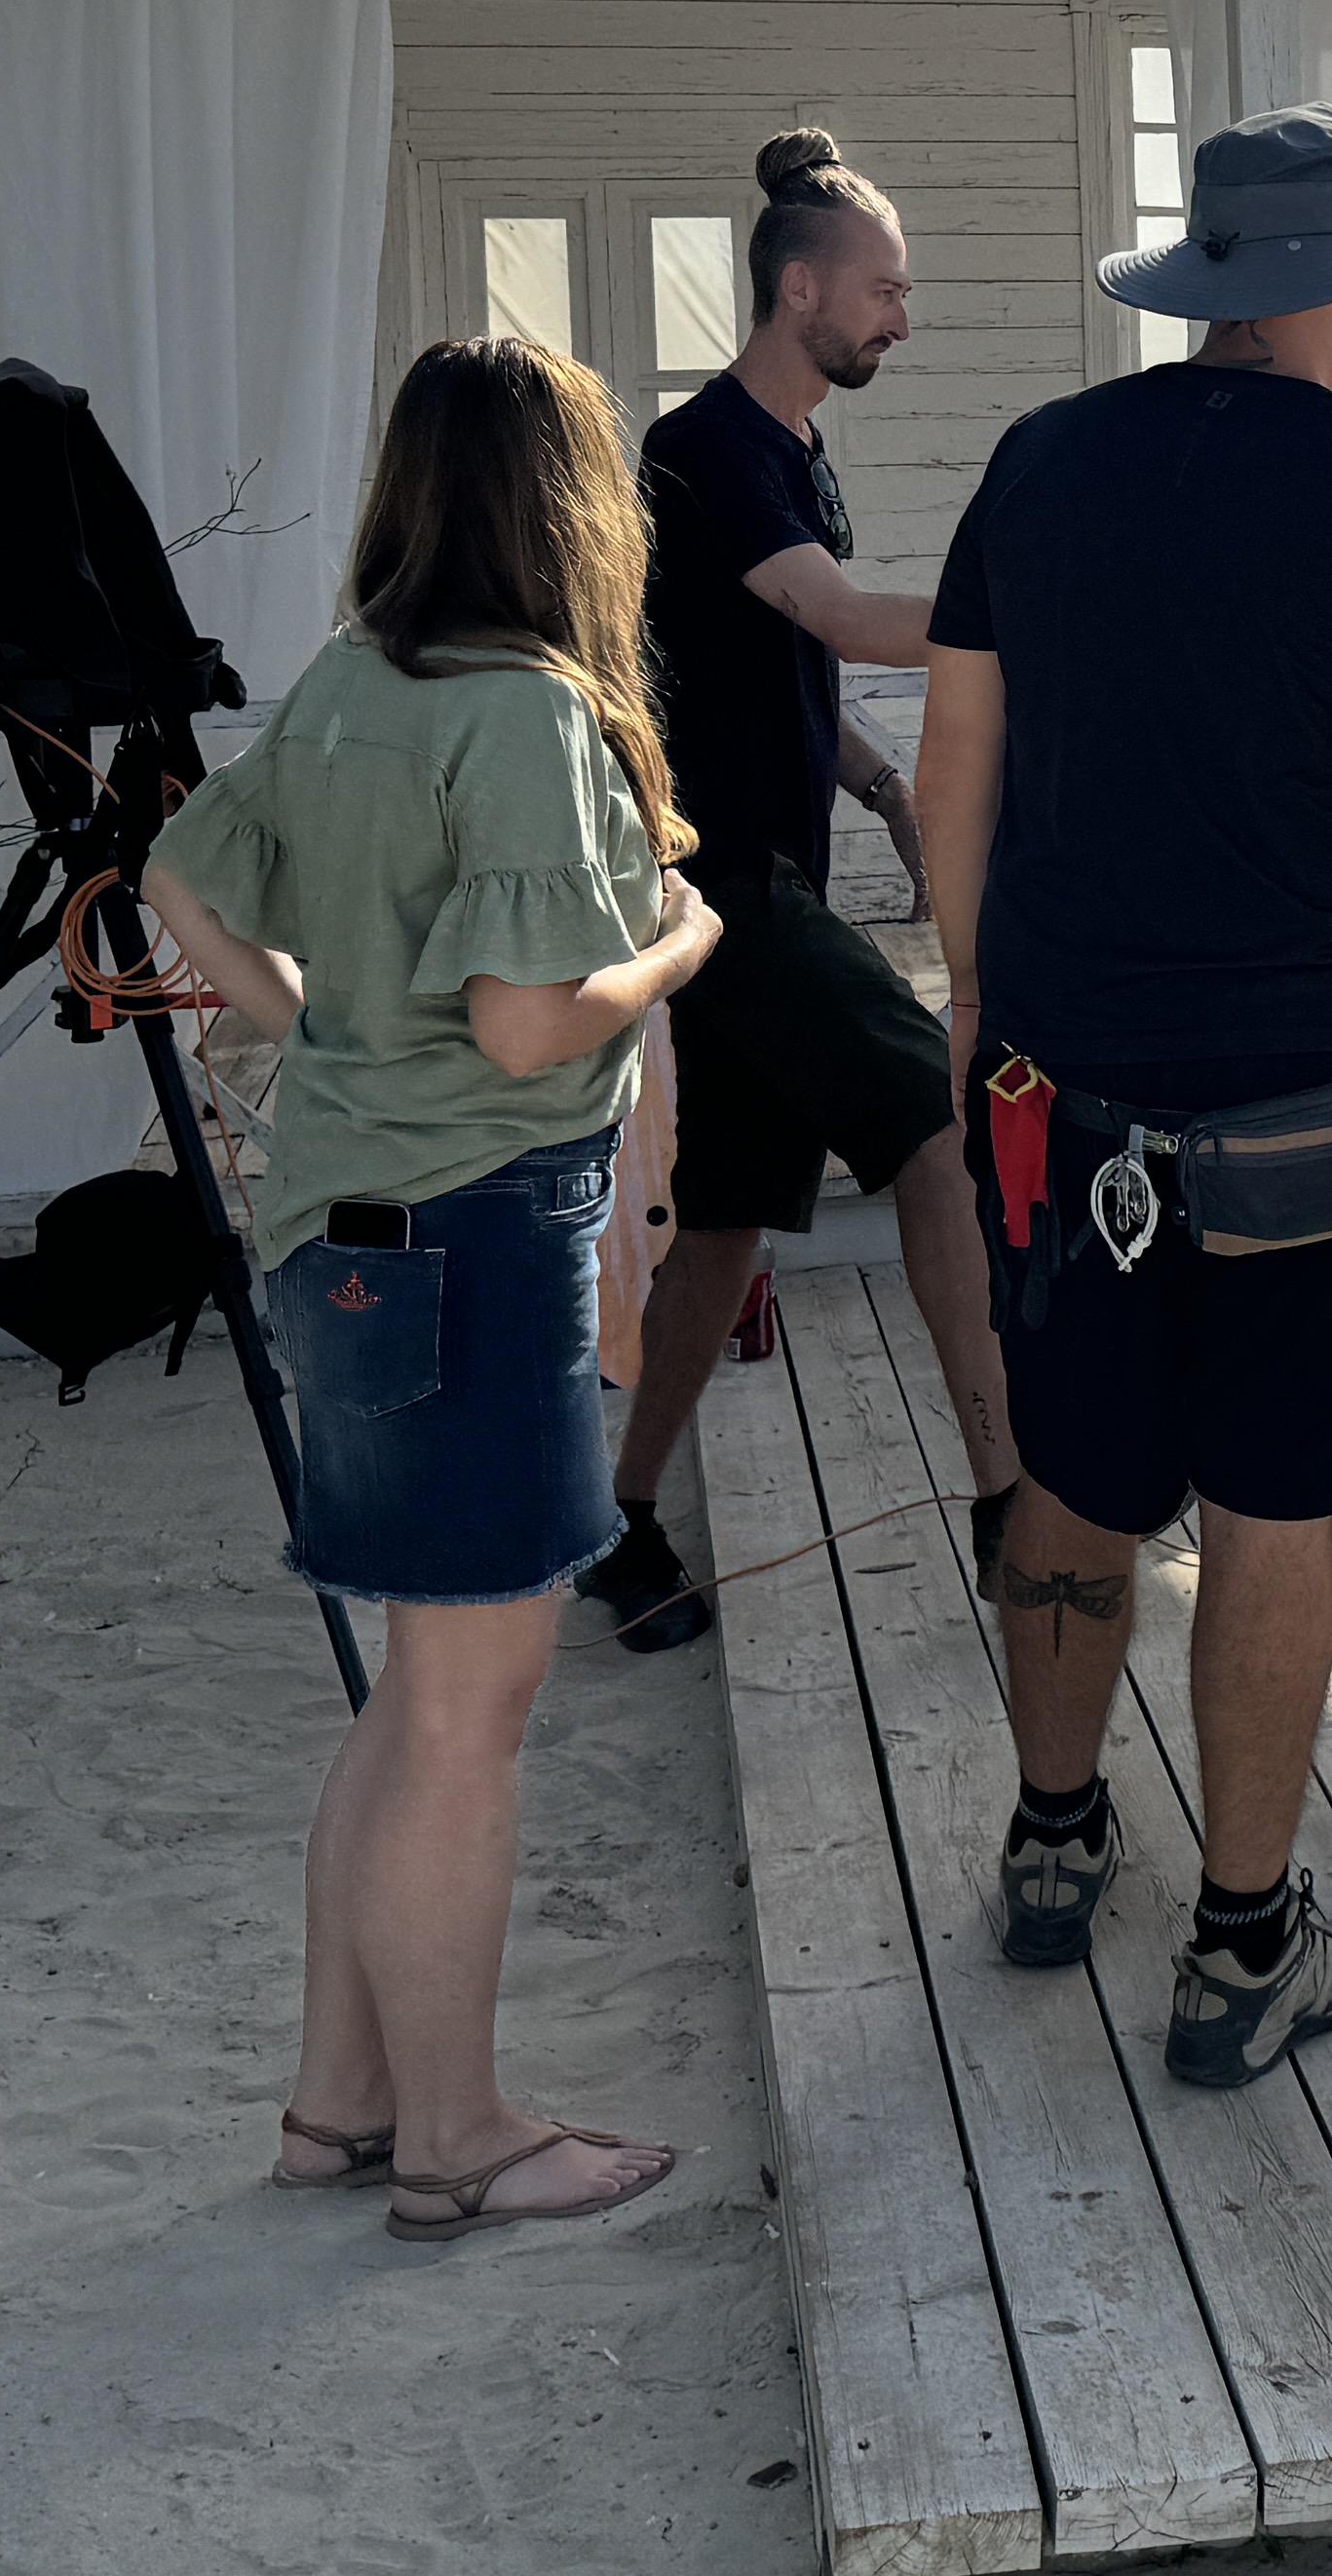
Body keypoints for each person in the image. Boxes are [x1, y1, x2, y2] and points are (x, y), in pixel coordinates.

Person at [918, 104, 1332, 2090]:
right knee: (1275, 1511)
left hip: (1063, 1091)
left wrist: (976, 1006)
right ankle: (1241, 1947)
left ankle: (1050, 1842)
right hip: (1300, 1101)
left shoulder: (1040, 465)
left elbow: (957, 760)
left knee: (1075, 1480)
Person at [139, 336, 725, 2239]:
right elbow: (531, 1020)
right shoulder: (528, 717)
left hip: (345, 1230)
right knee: (471, 1710)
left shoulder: (339, 690)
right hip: (475, 1232)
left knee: (412, 1696)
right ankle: (458, 2138)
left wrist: (302, 1022)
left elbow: (175, 874)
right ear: (576, 512)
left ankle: (338, 2115)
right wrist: (673, 950)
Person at [597, 128, 1014, 1659]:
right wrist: (1027, 619)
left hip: (756, 879)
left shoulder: (791, 452)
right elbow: (839, 613)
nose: (902, 319)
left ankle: (622, 1522)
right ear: (799, 291)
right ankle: (1004, 1496)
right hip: (727, 892)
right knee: (936, 1127)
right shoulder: (704, 450)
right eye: (886, 292)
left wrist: (886, 787)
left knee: (722, 1230)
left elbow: (777, 661)